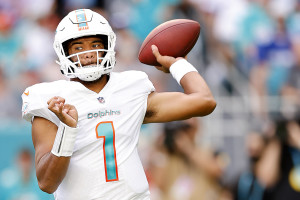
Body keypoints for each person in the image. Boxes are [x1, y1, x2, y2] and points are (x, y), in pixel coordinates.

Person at [21, 8, 216, 200]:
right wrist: (68, 130)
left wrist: (177, 64)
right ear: (63, 52)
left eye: (95, 44)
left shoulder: (131, 88)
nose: (88, 53)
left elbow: (204, 101)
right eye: (78, 47)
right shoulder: (51, 100)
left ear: (109, 45)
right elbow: (47, 183)